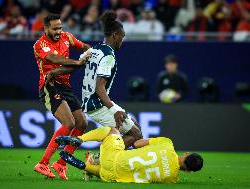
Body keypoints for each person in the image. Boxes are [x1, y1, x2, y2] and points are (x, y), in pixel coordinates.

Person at [46, 10, 142, 149]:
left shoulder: (94, 49)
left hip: (92, 102)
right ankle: (98, 160)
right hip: (98, 105)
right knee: (135, 134)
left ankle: (104, 155)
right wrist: (114, 110)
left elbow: (75, 66)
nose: (122, 40)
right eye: (122, 36)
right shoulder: (108, 57)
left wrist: (55, 72)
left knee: (136, 127)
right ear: (115, 35)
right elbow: (99, 88)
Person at [32, 14, 91, 180]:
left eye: (60, 27)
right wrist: (79, 62)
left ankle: (60, 163)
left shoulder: (67, 37)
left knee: (82, 123)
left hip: (66, 86)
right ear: (46, 28)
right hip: (49, 86)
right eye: (55, 28)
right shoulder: (40, 44)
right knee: (69, 122)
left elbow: (84, 46)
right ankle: (43, 163)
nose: (59, 31)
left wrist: (89, 51)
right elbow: (54, 58)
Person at [56, 126, 204, 183]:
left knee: (111, 131)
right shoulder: (171, 179)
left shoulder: (167, 143)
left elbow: (136, 144)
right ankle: (84, 166)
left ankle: (79, 139)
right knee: (111, 171)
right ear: (189, 171)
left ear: (186, 154)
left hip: (114, 158)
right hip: (111, 177)